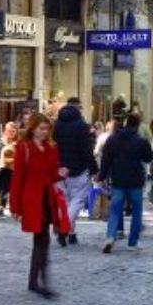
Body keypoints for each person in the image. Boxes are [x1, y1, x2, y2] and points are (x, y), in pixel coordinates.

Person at [9, 113, 68, 298]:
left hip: (47, 199)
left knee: (42, 240)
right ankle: (41, 282)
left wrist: (61, 173)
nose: (44, 132)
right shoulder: (23, 148)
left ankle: (35, 281)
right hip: (33, 200)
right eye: (41, 128)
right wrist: (15, 207)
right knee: (42, 239)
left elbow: (51, 174)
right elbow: (17, 179)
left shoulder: (51, 148)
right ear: (33, 128)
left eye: (46, 128)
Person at [98, 113, 153, 253]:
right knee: (136, 211)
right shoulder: (140, 141)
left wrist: (101, 176)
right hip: (135, 180)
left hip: (117, 179)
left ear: (125, 123)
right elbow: (148, 158)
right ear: (137, 125)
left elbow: (106, 159)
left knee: (115, 210)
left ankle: (111, 236)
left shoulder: (113, 139)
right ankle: (133, 242)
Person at [53, 97, 96, 245]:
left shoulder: (56, 125)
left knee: (64, 203)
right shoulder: (82, 126)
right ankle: (64, 228)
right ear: (78, 108)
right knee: (77, 201)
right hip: (78, 169)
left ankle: (71, 233)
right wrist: (94, 168)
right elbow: (86, 150)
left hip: (59, 169)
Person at [0, 122, 18, 218]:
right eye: (9, 131)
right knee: (4, 189)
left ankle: (13, 208)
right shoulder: (2, 141)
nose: (11, 133)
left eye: (13, 131)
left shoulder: (18, 142)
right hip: (3, 169)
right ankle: (1, 207)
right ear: (6, 131)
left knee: (12, 190)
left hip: (14, 169)